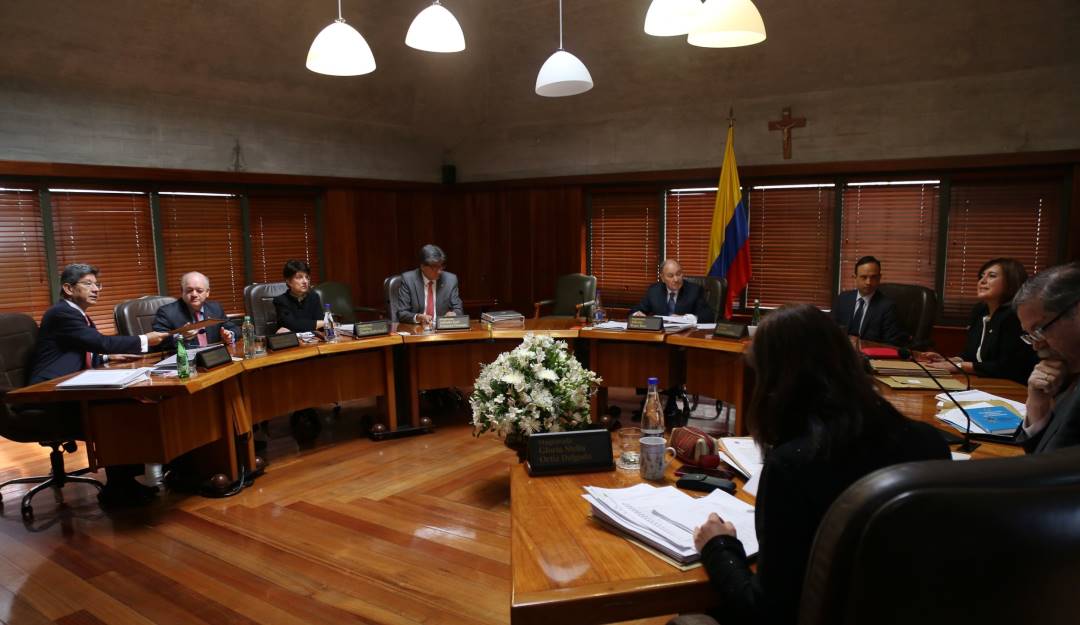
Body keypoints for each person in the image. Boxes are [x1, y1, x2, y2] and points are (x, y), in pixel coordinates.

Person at [690, 304, 948, 625]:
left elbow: (767, 609)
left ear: (774, 383)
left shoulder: (792, 466)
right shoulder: (931, 443)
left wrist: (719, 546)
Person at [28, 263, 170, 506]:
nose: (96, 289)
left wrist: (107, 358)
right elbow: (98, 341)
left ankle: (123, 482)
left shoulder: (75, 313)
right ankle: (118, 487)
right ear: (68, 288)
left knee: (126, 400)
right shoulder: (62, 313)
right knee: (118, 408)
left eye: (97, 284)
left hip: (68, 383)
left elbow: (74, 349)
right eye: (88, 284)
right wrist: (144, 339)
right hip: (47, 392)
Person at [918, 258, 1037, 384]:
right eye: (981, 276)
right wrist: (949, 361)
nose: (982, 281)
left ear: (1011, 282)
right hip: (982, 382)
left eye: (992, 276)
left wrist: (959, 366)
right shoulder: (980, 311)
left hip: (1011, 386)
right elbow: (971, 354)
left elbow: (1008, 367)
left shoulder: (1014, 316)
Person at [1013, 262, 1080, 453]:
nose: (1036, 345)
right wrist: (1037, 404)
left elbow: (1053, 473)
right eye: (1030, 335)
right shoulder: (1067, 374)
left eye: (1040, 330)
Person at [830, 255, 906, 345]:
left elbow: (891, 343)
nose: (868, 282)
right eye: (864, 277)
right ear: (855, 278)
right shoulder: (843, 299)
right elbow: (831, 330)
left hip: (870, 356)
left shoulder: (887, 307)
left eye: (873, 277)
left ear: (879, 278)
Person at [153, 271, 238, 351]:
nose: (194, 294)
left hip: (213, 358)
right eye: (189, 290)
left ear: (207, 292)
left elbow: (234, 328)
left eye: (199, 291)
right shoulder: (166, 312)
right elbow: (158, 343)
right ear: (182, 291)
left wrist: (229, 335)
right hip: (184, 361)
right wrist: (180, 336)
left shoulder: (215, 308)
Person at [395, 244, 464, 325]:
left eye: (441, 266)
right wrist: (418, 317)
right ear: (422, 266)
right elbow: (402, 313)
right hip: (418, 330)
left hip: (442, 330)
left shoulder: (450, 280)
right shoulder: (408, 279)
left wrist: (454, 314)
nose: (439, 271)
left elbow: (458, 309)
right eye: (434, 267)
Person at [630, 259, 713, 322]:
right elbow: (635, 310)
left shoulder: (694, 290)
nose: (676, 279)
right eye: (670, 276)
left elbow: (708, 316)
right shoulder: (654, 291)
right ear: (662, 278)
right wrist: (637, 314)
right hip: (660, 337)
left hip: (684, 337)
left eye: (678, 274)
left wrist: (685, 318)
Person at [272, 259, 327, 333]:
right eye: (299, 277)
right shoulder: (281, 301)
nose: (305, 281)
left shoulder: (314, 297)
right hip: (293, 342)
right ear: (288, 281)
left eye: (307, 277)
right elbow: (291, 324)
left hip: (314, 340)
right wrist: (321, 323)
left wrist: (321, 323)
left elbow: (321, 325)